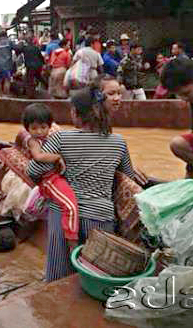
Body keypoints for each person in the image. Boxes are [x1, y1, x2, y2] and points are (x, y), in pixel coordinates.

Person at [27, 85, 135, 282]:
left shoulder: (61, 138)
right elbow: (129, 177)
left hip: (63, 216)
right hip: (101, 218)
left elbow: (33, 171)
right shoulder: (119, 142)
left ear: (76, 113)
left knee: (58, 281)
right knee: (94, 279)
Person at [20, 104, 78, 249]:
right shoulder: (33, 141)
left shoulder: (52, 137)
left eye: (43, 127)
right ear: (28, 129)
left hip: (54, 178)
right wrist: (57, 157)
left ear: (49, 126)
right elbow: (38, 156)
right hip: (48, 180)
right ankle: (72, 242)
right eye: (34, 128)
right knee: (70, 206)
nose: (39, 131)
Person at [17, 29, 47, 99]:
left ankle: (30, 95)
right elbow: (41, 57)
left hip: (30, 66)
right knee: (38, 77)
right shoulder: (36, 48)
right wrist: (43, 64)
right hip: (38, 65)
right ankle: (46, 86)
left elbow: (17, 50)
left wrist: (21, 41)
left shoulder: (24, 48)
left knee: (29, 80)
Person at [0, 31, 14, 96]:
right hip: (6, 66)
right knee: (7, 80)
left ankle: (0, 95)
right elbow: (17, 48)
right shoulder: (8, 42)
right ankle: (6, 95)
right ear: (6, 36)